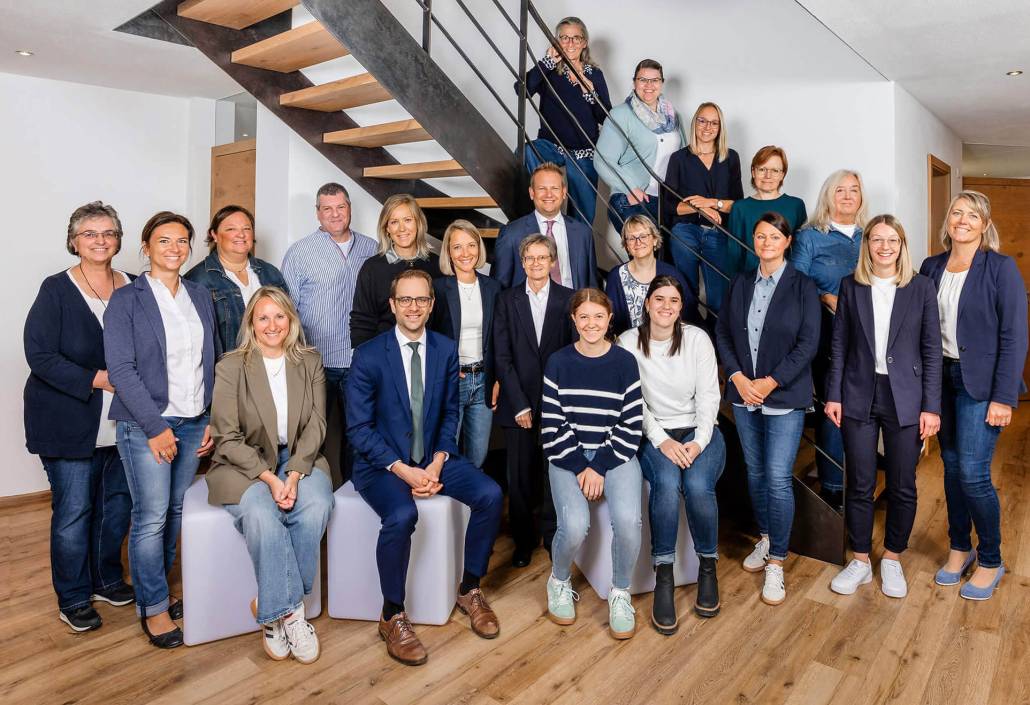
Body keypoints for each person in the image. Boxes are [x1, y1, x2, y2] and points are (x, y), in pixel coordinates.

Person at [347, 270, 504, 666]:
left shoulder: (446, 349)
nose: (413, 307)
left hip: (431, 458)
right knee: (402, 514)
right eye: (405, 300)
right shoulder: (368, 355)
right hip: (382, 464)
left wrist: (436, 462)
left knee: (490, 495)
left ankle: (469, 589)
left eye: (421, 300)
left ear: (432, 305)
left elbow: (450, 413)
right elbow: (359, 429)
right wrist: (403, 470)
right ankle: (392, 614)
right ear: (393, 304)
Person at [104, 211, 218, 648]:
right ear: (146, 248)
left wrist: (209, 417)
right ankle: (152, 608)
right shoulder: (127, 299)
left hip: (192, 422)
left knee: (173, 511)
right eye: (164, 241)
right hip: (146, 424)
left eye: (183, 240)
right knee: (149, 518)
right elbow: (121, 368)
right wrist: (154, 427)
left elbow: (213, 358)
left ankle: (161, 591)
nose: (175, 248)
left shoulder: (199, 294)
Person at [23, 201, 135, 632]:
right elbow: (40, 356)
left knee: (116, 507)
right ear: (74, 241)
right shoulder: (56, 289)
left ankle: (106, 578)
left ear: (119, 239)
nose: (100, 240)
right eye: (90, 233)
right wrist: (97, 378)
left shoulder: (134, 285)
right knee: (73, 511)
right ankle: (72, 596)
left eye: (108, 233)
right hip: (69, 420)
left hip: (125, 422)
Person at [207, 286, 334, 664]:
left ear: (291, 320)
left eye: (280, 316)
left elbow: (316, 425)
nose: (272, 324)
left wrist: (293, 475)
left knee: (314, 507)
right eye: (263, 317)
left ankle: (271, 603)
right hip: (244, 464)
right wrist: (272, 479)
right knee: (263, 515)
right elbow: (225, 437)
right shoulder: (231, 366)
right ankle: (291, 614)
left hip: (299, 456)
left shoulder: (309, 361)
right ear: (251, 322)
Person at [824, 215, 942, 599]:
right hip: (858, 392)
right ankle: (859, 560)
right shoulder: (851, 286)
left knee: (902, 484)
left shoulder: (921, 288)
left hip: (905, 396)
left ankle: (891, 557)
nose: (885, 246)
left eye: (892, 240)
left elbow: (931, 351)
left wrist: (931, 406)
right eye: (877, 239)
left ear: (902, 245)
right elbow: (838, 345)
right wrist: (834, 394)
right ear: (868, 245)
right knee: (858, 482)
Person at [920, 191, 1028, 601]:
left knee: (973, 473)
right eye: (956, 213)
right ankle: (959, 548)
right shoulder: (931, 267)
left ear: (984, 224)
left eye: (971, 215)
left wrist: (1004, 397)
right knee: (950, 469)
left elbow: (1014, 337)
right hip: (940, 379)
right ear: (947, 221)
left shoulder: (1000, 269)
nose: (961, 220)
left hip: (981, 384)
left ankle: (991, 559)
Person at [715, 212, 820, 606]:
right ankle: (765, 537)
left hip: (784, 396)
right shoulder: (741, 282)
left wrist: (770, 382)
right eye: (760, 236)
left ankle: (777, 561)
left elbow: (809, 344)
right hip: (743, 394)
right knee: (756, 472)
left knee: (777, 478)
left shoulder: (802, 286)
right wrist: (739, 378)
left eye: (774, 236)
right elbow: (723, 331)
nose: (766, 242)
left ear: (787, 240)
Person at [618, 276, 724, 632]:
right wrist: (662, 439)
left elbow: (710, 397)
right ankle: (664, 575)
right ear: (647, 304)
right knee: (664, 484)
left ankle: (708, 567)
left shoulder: (697, 339)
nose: (666, 306)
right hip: (654, 434)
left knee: (696, 486)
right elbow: (634, 402)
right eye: (659, 299)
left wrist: (698, 441)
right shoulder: (628, 343)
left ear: (681, 307)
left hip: (700, 432)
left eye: (674, 301)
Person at [541, 288, 643, 640]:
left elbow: (631, 425)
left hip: (613, 455)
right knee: (573, 525)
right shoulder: (558, 362)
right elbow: (552, 425)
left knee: (629, 522)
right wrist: (580, 465)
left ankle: (620, 592)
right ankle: (558, 578)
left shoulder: (625, 362)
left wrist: (598, 465)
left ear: (609, 319)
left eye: (598, 316)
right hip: (568, 456)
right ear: (573, 320)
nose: (591, 323)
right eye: (583, 316)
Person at [282, 183, 377, 484]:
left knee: (359, 435)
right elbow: (287, 310)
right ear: (318, 213)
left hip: (361, 360)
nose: (335, 214)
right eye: (327, 208)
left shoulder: (372, 248)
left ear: (350, 208)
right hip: (315, 361)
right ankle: (315, 502)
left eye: (341, 207)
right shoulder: (300, 252)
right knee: (314, 438)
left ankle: (356, 497)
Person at [493, 235, 575, 567]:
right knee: (520, 476)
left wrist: (560, 403)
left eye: (543, 258)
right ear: (522, 261)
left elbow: (572, 356)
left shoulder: (569, 300)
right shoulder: (507, 300)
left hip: (557, 405)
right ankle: (523, 542)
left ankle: (552, 535)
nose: (537, 263)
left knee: (553, 473)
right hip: (519, 403)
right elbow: (502, 355)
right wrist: (520, 403)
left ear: (553, 262)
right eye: (530, 258)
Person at [791, 169, 868, 510]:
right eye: (841, 190)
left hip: (869, 336)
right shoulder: (811, 237)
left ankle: (862, 479)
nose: (848, 196)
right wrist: (825, 295)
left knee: (865, 408)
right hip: (828, 334)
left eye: (854, 190)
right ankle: (834, 487)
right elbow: (794, 284)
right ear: (828, 195)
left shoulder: (871, 237)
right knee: (834, 407)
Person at [521, 16, 611, 226]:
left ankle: (575, 250)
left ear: (584, 42)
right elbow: (522, 90)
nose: (570, 43)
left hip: (583, 150)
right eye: (564, 38)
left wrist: (590, 92)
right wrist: (546, 62)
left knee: (583, 217)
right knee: (526, 151)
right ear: (557, 42)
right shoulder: (548, 70)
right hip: (550, 146)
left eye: (576, 38)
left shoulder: (594, 74)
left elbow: (605, 116)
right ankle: (542, 215)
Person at [431, 220, 502, 468]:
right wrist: (444, 371)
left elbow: (500, 338)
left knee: (477, 456)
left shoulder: (493, 288)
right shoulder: (438, 289)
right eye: (457, 247)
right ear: (448, 252)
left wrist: (497, 378)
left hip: (483, 380)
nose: (465, 253)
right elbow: (428, 337)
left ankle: (472, 507)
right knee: (445, 453)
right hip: (453, 381)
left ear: (479, 248)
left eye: (471, 245)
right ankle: (450, 506)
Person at [664, 102, 743, 315]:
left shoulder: (731, 158)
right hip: (686, 231)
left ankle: (716, 343)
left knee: (719, 299)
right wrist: (700, 210)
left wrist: (709, 202)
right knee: (686, 295)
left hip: (719, 233)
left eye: (714, 123)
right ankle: (690, 338)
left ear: (720, 128)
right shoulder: (679, 159)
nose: (707, 127)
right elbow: (671, 206)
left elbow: (738, 205)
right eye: (702, 121)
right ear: (694, 123)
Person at [594, 59, 686, 232]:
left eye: (655, 80)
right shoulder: (621, 115)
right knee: (644, 251)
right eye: (643, 79)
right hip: (633, 196)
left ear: (662, 83)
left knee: (674, 254)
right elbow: (602, 159)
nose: (648, 85)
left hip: (667, 200)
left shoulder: (673, 116)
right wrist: (630, 188)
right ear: (634, 82)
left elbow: (684, 157)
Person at [184, 205, 288, 354]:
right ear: (214, 234)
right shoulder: (197, 279)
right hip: (228, 371)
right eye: (231, 229)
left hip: (273, 364)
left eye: (246, 229)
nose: (241, 235)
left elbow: (290, 321)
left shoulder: (270, 273)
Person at [351, 194, 442, 347]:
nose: (402, 228)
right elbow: (362, 321)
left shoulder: (438, 265)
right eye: (394, 222)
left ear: (418, 223)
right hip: (384, 356)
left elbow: (443, 319)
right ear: (387, 228)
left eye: (407, 220)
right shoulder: (372, 268)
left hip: (430, 354)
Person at [493, 162, 598, 290]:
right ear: (532, 193)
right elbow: (498, 288)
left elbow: (592, 286)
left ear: (563, 192)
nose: (549, 194)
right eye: (542, 188)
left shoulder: (583, 233)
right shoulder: (511, 234)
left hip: (573, 306)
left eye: (555, 188)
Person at [605, 214, 696, 335]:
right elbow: (610, 320)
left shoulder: (672, 274)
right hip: (629, 346)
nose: (638, 242)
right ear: (626, 245)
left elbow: (688, 313)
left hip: (669, 343)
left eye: (643, 236)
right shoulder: (616, 276)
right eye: (632, 238)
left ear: (654, 239)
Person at [726, 146, 808, 278]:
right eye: (762, 169)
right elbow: (734, 254)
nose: (767, 176)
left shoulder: (796, 205)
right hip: (750, 281)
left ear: (782, 175)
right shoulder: (740, 207)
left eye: (775, 170)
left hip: (786, 280)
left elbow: (801, 250)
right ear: (753, 172)